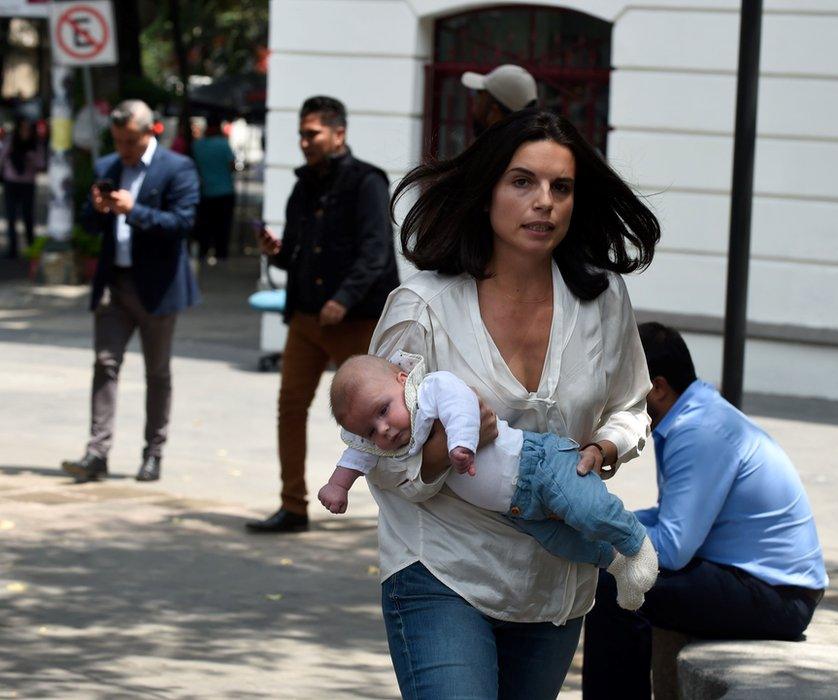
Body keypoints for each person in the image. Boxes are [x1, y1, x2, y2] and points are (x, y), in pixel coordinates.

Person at [345, 108, 660, 699]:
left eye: (560, 187)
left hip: (555, 584)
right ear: (486, 192)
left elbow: (631, 404)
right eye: (522, 182)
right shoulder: (423, 307)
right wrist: (440, 451)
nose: (543, 201)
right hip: (441, 567)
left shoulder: (602, 298)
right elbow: (374, 452)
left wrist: (608, 445)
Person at [581, 322, 829, 699]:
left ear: (659, 388)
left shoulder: (699, 430)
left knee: (615, 584)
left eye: (626, 391)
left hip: (777, 597)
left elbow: (675, 549)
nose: (617, 406)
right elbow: (670, 519)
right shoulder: (694, 414)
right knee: (616, 573)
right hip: (763, 584)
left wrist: (598, 530)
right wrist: (604, 519)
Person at [322, 353, 659, 607]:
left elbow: (462, 405)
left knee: (588, 510)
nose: (383, 429)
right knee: (562, 543)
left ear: (401, 380)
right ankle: (615, 564)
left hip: (537, 463)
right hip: (516, 509)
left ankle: (636, 544)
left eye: (383, 411)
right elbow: (359, 455)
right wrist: (338, 484)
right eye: (369, 430)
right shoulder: (388, 439)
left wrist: (460, 443)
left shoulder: (429, 389)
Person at [246, 95, 399, 533]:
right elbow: (296, 255)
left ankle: (402, 505)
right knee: (290, 408)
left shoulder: (366, 181)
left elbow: (375, 254)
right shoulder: (302, 185)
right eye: (301, 134)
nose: (304, 142)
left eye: (312, 133)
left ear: (339, 133)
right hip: (307, 320)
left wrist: (344, 298)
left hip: (354, 321)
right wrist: (275, 254)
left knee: (379, 417)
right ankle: (292, 505)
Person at [61, 99, 200, 483]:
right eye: (118, 141)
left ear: (150, 131)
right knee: (105, 364)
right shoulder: (107, 166)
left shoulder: (177, 167)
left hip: (156, 287)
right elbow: (89, 226)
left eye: (130, 142)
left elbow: (183, 223)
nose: (123, 149)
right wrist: (97, 210)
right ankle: (97, 451)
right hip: (114, 283)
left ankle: (153, 453)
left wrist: (133, 210)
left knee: (156, 372)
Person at [191, 115, 236, 263]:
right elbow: (231, 166)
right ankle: (221, 255)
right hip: (225, 192)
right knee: (223, 227)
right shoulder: (223, 144)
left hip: (206, 192)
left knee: (205, 226)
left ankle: (203, 253)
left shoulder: (197, 145)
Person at [0, 118, 46, 258]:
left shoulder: (35, 145)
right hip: (11, 182)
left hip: (27, 183)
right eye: (22, 128)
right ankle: (12, 249)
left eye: (28, 129)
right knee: (11, 216)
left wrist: (31, 159)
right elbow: (1, 158)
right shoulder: (11, 142)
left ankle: (31, 247)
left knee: (27, 216)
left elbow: (41, 164)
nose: (25, 132)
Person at [461, 64, 538, 136]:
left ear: (494, 114)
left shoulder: (493, 150)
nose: (474, 103)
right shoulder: (530, 148)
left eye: (479, 93)